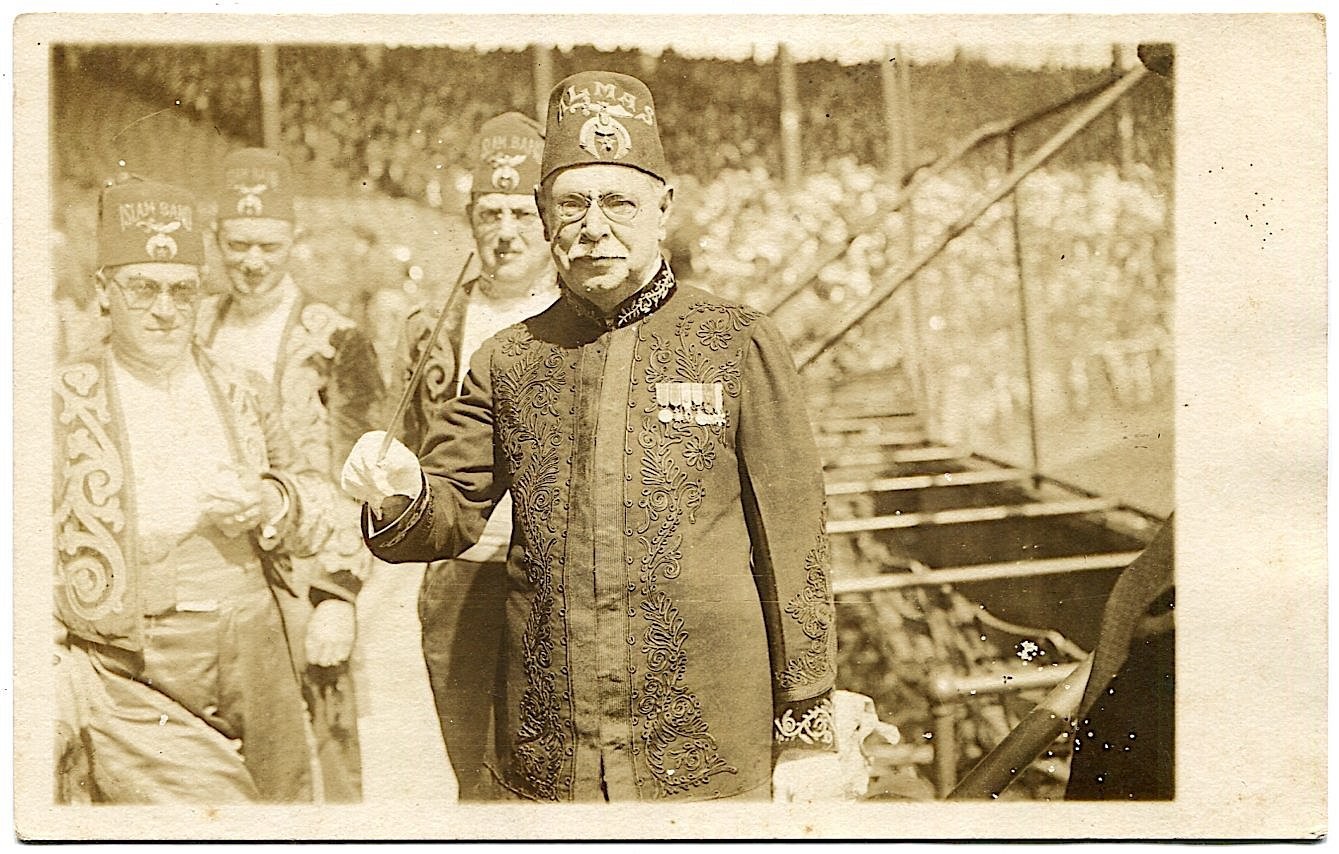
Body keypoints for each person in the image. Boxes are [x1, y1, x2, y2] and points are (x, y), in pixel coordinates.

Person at [342, 71, 837, 802]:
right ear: (545, 218)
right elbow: (445, 515)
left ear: (663, 208)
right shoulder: (507, 359)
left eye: (618, 202)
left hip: (704, 740)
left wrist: (806, 734)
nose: (593, 226)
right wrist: (403, 492)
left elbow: (796, 547)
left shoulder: (736, 341)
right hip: (554, 745)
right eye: (572, 203)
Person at [53, 177, 325, 803]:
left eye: (183, 290)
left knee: (288, 810)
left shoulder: (242, 387)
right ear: (102, 291)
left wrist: (273, 501)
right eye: (142, 288)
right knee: (206, 809)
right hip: (135, 659)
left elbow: (319, 499)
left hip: (257, 641)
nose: (165, 309)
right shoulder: (61, 400)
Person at [197, 148, 386, 802]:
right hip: (216, 582)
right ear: (214, 239)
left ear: (293, 241)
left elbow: (367, 478)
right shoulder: (192, 328)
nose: (251, 262)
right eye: (237, 244)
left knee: (324, 768)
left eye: (268, 245)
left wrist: (339, 596)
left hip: (307, 583)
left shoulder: (336, 338)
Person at [388, 111, 560, 801]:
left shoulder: (583, 321)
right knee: (474, 778)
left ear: (548, 219)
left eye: (523, 212)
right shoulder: (429, 328)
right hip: (458, 579)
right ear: (470, 219)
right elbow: (405, 446)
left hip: (554, 582)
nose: (506, 232)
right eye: (491, 213)